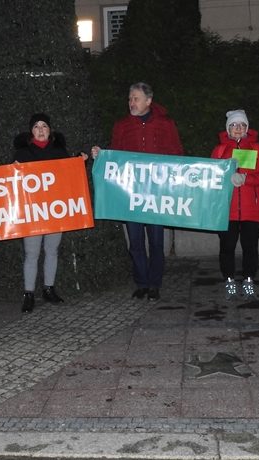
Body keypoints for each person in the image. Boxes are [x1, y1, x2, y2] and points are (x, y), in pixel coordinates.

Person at [91, 82, 184, 301]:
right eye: (130, 98)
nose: (131, 102)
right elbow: (115, 155)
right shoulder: (122, 125)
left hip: (156, 194)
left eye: (135, 98)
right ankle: (141, 282)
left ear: (148, 101)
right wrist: (101, 155)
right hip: (131, 193)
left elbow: (177, 153)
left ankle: (155, 283)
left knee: (156, 241)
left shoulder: (165, 124)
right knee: (135, 242)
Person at [12, 113, 87, 313]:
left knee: (52, 250)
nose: (40, 130)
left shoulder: (59, 151)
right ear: (31, 131)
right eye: (36, 126)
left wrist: (80, 162)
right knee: (32, 253)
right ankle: (28, 293)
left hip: (55, 211)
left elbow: (69, 175)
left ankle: (48, 288)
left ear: (50, 130)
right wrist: (14, 170)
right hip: (33, 212)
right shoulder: (22, 154)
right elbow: (13, 182)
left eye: (44, 126)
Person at [210, 110, 259, 300]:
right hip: (226, 210)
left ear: (247, 128)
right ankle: (229, 280)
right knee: (227, 248)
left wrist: (246, 178)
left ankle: (248, 280)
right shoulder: (219, 150)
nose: (238, 128)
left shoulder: (256, 148)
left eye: (242, 125)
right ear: (228, 127)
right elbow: (211, 176)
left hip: (251, 209)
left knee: (250, 248)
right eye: (235, 125)